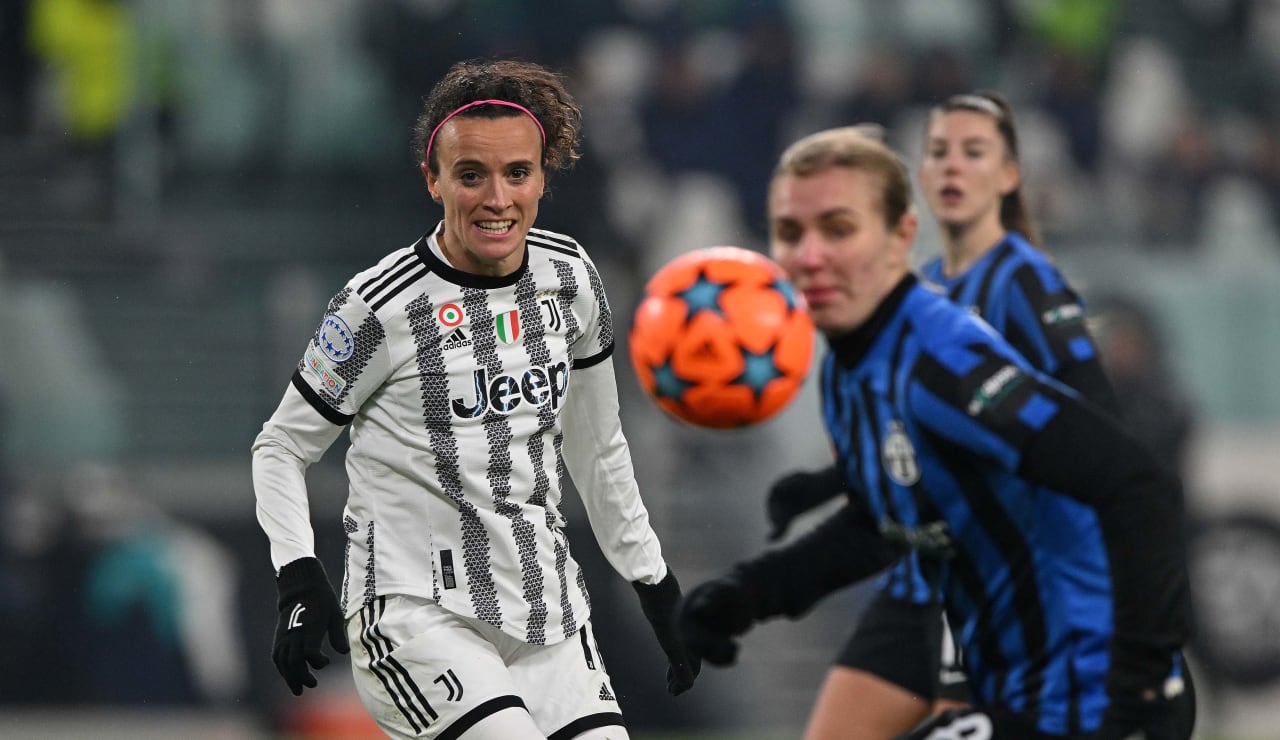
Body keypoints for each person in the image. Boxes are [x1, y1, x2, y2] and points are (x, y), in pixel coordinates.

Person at [677, 125, 1196, 739]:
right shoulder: (849, 371)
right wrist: (747, 595)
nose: (811, 255)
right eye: (792, 232)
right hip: (1015, 680)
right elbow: (883, 524)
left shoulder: (945, 362)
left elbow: (1136, 484)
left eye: (838, 229)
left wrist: (1138, 670)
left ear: (900, 236)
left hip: (1088, 695)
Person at [251, 58, 698, 740]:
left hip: (547, 614)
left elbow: (598, 447)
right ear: (433, 180)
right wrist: (297, 573)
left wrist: (652, 580)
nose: (497, 198)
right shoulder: (379, 307)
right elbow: (281, 446)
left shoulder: (571, 279)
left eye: (517, 173)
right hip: (415, 614)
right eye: (471, 175)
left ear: (543, 177)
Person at [765, 92, 1126, 739]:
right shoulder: (919, 291)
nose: (952, 166)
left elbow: (1091, 439)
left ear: (1009, 175)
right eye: (938, 152)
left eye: (973, 152)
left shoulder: (1022, 283)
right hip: (924, 574)